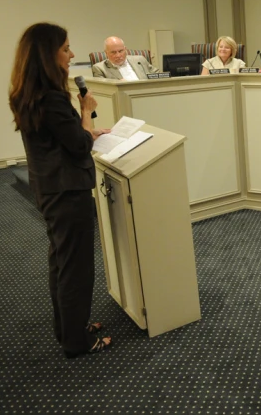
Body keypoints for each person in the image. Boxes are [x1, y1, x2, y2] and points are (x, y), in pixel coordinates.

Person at [8, 23, 113, 358]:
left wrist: (84, 129)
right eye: (66, 49)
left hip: (50, 185)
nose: (72, 55)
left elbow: (60, 139)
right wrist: (85, 114)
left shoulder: (30, 90)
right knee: (76, 268)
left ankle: (68, 327)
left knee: (61, 262)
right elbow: (78, 145)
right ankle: (77, 342)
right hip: (66, 191)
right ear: (47, 53)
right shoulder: (51, 97)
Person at [92, 36, 159, 80]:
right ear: (106, 53)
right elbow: (103, 88)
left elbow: (158, 75)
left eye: (121, 51)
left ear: (125, 49)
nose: (118, 55)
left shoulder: (140, 60)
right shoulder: (99, 69)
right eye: (113, 52)